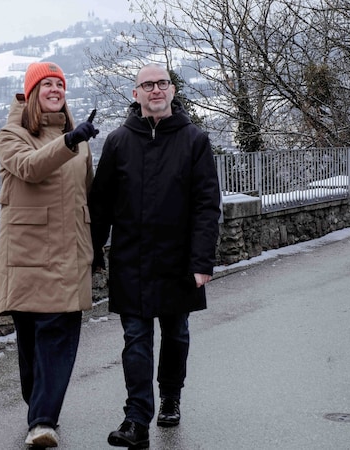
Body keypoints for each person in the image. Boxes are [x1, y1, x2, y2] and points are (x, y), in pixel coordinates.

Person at [88, 63, 221, 449]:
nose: (156, 90)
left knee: (176, 333)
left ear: (173, 90)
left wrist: (201, 262)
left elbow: (206, 205)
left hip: (178, 261)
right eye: (147, 85)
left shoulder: (194, 140)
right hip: (131, 260)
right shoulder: (118, 141)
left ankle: (171, 396)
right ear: (136, 95)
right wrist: (95, 251)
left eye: (162, 83)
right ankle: (136, 419)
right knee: (136, 338)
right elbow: (101, 205)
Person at [0, 61, 99, 448]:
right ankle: (39, 407)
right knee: (30, 348)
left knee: (57, 338)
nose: (55, 89)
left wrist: (97, 244)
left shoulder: (80, 140)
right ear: (32, 92)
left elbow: (89, 196)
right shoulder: (12, 134)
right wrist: (69, 142)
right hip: (26, 257)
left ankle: (43, 420)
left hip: (69, 255)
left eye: (60, 84)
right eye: (47, 84)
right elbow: (29, 167)